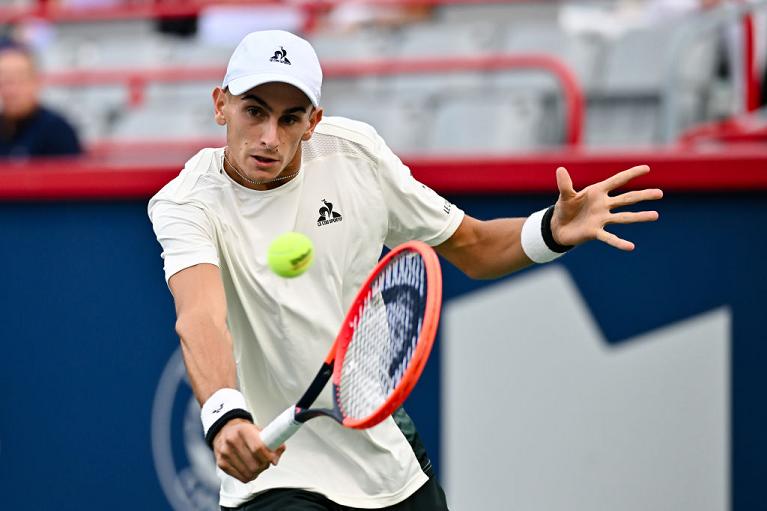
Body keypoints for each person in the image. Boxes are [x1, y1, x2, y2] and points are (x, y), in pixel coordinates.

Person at [148, 30, 663, 511]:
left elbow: (474, 247)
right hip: (274, 477)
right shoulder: (187, 202)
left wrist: (550, 228)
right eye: (253, 112)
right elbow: (200, 317)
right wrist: (225, 414)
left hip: (383, 455)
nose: (268, 137)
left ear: (314, 121)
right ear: (221, 105)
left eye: (289, 118)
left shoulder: (356, 157)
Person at [0, 40, 82, 158]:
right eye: (4, 80)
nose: (10, 90)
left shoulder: (58, 131)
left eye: (19, 79)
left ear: (36, 82)